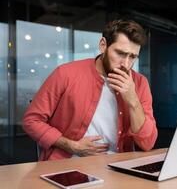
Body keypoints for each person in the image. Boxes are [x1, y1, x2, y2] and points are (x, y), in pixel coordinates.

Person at [23, 19, 158, 161]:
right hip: (67, 165)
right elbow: (32, 121)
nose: (126, 63)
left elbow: (147, 143)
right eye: (120, 53)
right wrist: (71, 145)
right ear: (103, 45)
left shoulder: (140, 83)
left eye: (133, 57)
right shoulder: (65, 74)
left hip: (118, 168)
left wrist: (133, 100)